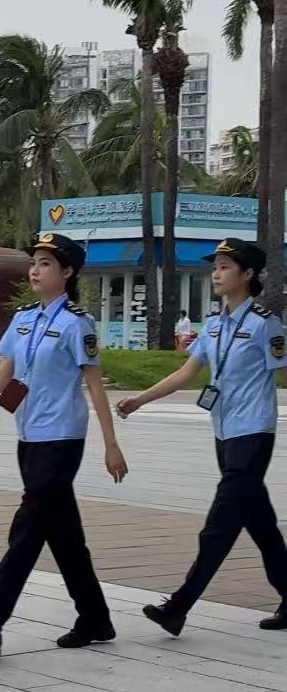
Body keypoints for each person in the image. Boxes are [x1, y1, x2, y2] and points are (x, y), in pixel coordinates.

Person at [0, 233, 128, 658]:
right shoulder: (24, 318)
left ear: (67, 272)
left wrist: (111, 444)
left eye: (46, 263)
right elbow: (5, 374)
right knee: (64, 536)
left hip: (61, 439)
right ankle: (95, 618)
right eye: (34, 263)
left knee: (26, 533)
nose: (35, 270)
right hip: (29, 436)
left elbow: (95, 386)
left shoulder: (77, 323)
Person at [117, 238, 287, 634]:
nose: (216, 273)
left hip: (254, 432)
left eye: (225, 267)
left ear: (247, 274)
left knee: (219, 525)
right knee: (260, 523)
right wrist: (140, 400)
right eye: (215, 267)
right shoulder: (213, 325)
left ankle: (179, 606)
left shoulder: (265, 324)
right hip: (224, 434)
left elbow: (283, 369)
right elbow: (186, 373)